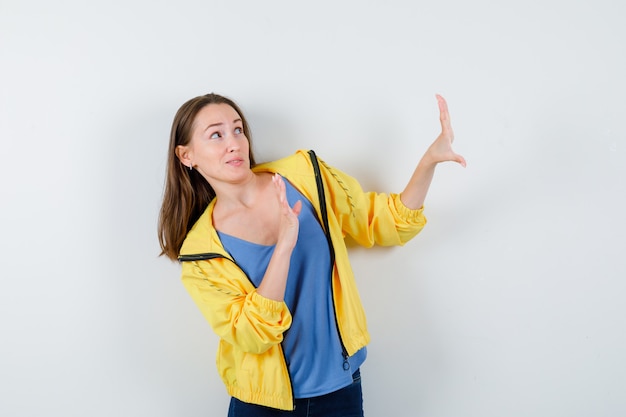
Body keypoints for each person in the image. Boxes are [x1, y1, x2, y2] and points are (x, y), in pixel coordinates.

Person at [158, 93, 465, 416]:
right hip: (261, 404)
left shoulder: (306, 177)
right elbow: (253, 335)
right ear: (186, 155)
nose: (234, 143)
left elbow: (382, 221)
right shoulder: (200, 254)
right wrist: (284, 246)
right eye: (216, 135)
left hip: (339, 392)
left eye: (238, 129)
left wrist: (429, 161)